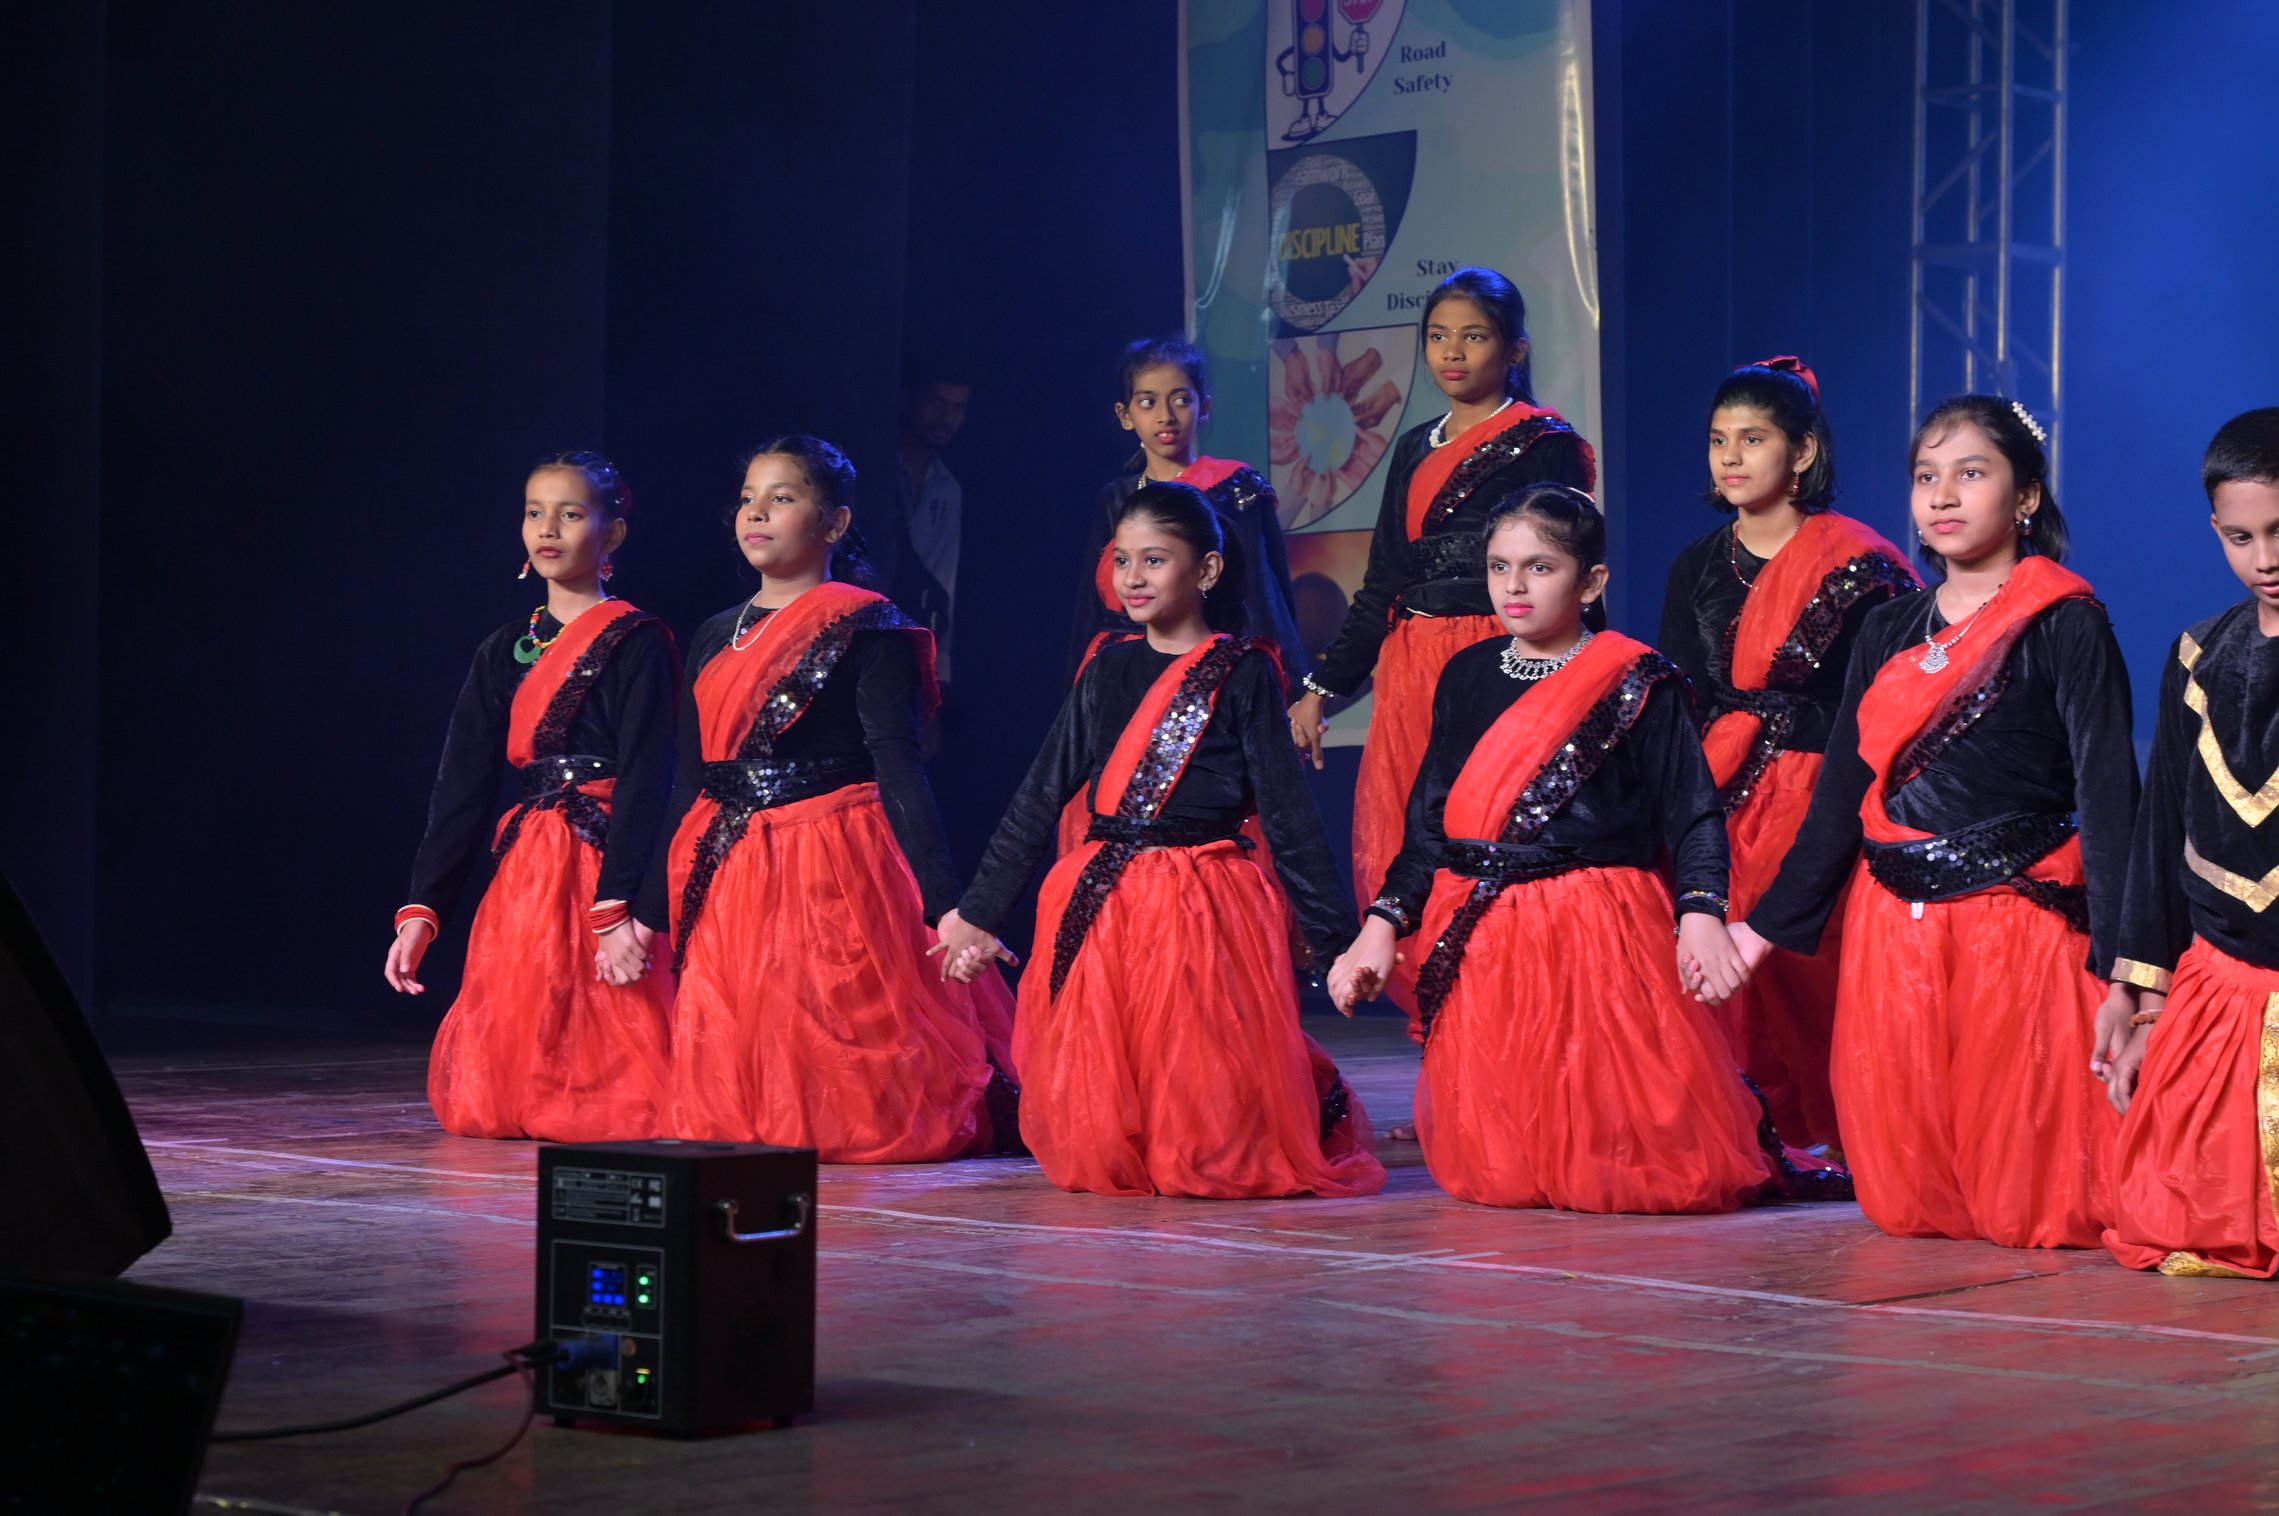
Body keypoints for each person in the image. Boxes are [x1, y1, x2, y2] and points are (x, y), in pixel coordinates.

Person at [1728, 395, 2137, 1248]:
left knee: (2027, 1183)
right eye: (1925, 477)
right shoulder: (1887, 626)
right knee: (1914, 1195)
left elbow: (2107, 796)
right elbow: (1841, 796)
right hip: (1893, 926)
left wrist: (2125, 968)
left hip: (2016, 923)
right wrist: (1762, 929)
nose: (1941, 496)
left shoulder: (2065, 622)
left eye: (1970, 474)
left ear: (2026, 496)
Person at [1329, 483, 1784, 1214]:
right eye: (1499, 567)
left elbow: (1691, 812)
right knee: (1506, 1172)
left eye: (1539, 567)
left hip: (1595, 928)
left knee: (1628, 1159)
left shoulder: (1637, 679)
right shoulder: (1467, 674)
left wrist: (1700, 912)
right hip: (1483, 929)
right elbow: (1430, 824)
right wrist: (1380, 926)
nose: (1513, 586)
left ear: (1592, 581)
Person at [935, 481, 1384, 1200]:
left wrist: (1338, 949)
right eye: (1121, 560)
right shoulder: (1107, 667)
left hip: (1201, 900)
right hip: (1104, 900)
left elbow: (1290, 818)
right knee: (1113, 1078)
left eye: (1154, 559)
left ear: (1206, 569)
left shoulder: (1242, 671)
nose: (1132, 578)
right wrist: (980, 912)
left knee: (1201, 1087)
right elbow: (1040, 795)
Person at [660, 435, 1015, 1161]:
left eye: (782, 498)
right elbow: (691, 778)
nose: (757, 513)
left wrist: (946, 903)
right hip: (726, 861)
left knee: (837, 1036)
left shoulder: (867, 627)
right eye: (748, 498)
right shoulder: (713, 635)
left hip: (829, 863)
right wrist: (640, 908)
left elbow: (900, 767)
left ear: (835, 522)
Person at [1285, 268, 1596, 1011]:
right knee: (1413, 835)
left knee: (1493, 830)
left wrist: (1587, 672)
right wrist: (1323, 687)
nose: (1451, 352)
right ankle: (1444, 1024)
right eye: (1437, 336)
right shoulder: (1413, 447)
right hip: (1412, 665)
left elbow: (1568, 563)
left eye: (1473, 336)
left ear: (1514, 348)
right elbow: (1383, 579)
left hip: (1500, 658)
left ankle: (1512, 1015)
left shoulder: (1544, 442)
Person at [1659, 357, 1918, 1150]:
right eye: (1717, 440)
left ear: (1801, 451)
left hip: (1822, 790)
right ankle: (1749, 1128)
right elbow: (1680, 701)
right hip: (1719, 790)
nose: (1730, 457)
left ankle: (1851, 1130)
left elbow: (1892, 701)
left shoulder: (1861, 566)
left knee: (1815, 965)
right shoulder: (1696, 565)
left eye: (1752, 438)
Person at [387, 451, 676, 1141]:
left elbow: (651, 777)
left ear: (612, 533)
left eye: (570, 514)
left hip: (604, 858)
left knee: (615, 1055)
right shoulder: (502, 649)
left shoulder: (637, 641)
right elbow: (462, 785)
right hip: (527, 863)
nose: (548, 528)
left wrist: (623, 903)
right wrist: (423, 909)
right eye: (534, 512)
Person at [2101, 407, 2279, 1277]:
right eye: (2240, 538)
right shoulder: (2198, 657)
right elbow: (2158, 835)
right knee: (2172, 1208)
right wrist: (2143, 1003)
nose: (2264, 559)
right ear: (2214, 530)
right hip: (2221, 981)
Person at [1069, 335, 1309, 681]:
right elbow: (1090, 610)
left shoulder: (1233, 488)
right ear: (1125, 415)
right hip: (1120, 673)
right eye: (1148, 402)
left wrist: (1290, 688)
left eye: (1181, 400)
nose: (1165, 416)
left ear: (1204, 407)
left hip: (1208, 672)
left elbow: (1266, 600)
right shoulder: (1116, 498)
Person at [874, 358, 973, 685]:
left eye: (958, 408)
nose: (947, 418)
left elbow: (942, 579)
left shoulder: (948, 488)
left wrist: (938, 668)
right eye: (937, 404)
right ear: (907, 401)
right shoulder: (874, 471)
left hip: (907, 639)